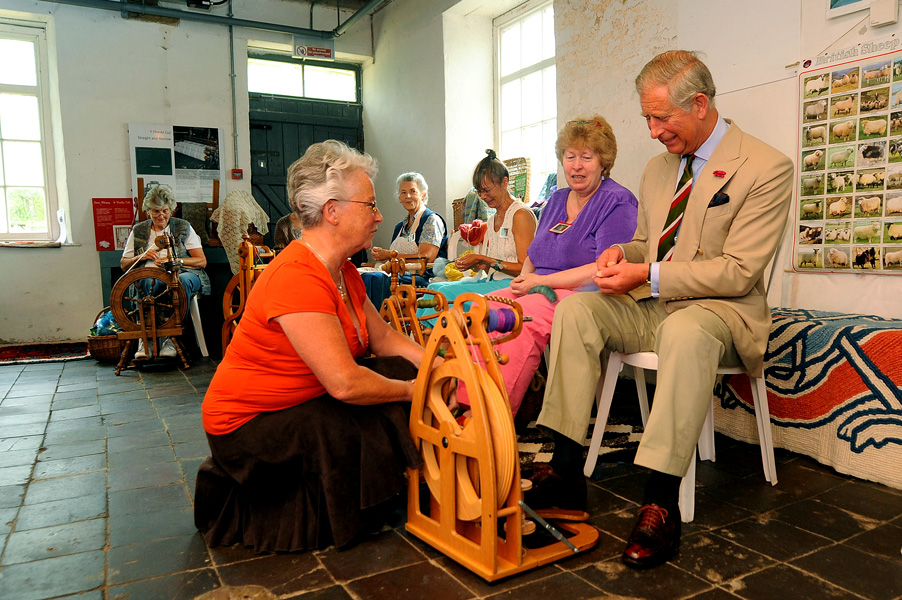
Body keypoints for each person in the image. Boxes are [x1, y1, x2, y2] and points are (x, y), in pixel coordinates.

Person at [531, 51, 793, 569]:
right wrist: (620, 254)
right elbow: (649, 243)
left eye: (661, 118)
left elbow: (738, 272)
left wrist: (645, 274)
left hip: (724, 311)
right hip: (659, 305)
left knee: (688, 331)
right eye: (647, 118)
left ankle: (660, 499)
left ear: (699, 104)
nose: (652, 131)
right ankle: (564, 472)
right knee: (578, 312)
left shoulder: (766, 167)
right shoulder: (657, 170)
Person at [194, 140, 436, 553]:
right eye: (371, 205)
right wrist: (418, 390)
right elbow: (344, 383)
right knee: (365, 404)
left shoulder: (345, 272)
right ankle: (384, 500)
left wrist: (437, 363)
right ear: (332, 211)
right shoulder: (297, 275)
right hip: (250, 427)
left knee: (400, 370)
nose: (379, 215)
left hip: (299, 399)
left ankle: (420, 487)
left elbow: (384, 338)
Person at [456, 116, 638, 418]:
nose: (576, 166)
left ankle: (490, 418)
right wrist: (525, 278)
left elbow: (602, 268)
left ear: (603, 162)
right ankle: (462, 398)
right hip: (541, 286)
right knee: (476, 309)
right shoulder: (556, 200)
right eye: (570, 157)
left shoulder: (617, 201)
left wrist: (538, 285)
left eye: (586, 157)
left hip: (587, 294)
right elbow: (535, 252)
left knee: (520, 319)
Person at [119, 184, 210, 358]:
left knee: (179, 282)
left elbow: (201, 261)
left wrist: (175, 261)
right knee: (147, 282)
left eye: (165, 211)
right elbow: (124, 265)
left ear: (171, 210)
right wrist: (143, 256)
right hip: (151, 276)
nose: (161, 216)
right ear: (148, 211)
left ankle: (170, 338)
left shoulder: (183, 226)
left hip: (184, 273)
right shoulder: (139, 231)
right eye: (156, 211)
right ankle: (148, 341)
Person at [454, 150, 537, 280]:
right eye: (479, 192)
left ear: (505, 182)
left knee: (442, 293)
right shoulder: (492, 220)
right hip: (494, 282)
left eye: (487, 190)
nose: (482, 196)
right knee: (436, 288)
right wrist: (479, 264)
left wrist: (483, 259)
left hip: (515, 286)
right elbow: (495, 270)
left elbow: (525, 269)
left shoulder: (520, 215)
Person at [370, 172, 448, 277]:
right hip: (400, 275)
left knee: (377, 279)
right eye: (403, 192)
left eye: (413, 191)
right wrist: (381, 255)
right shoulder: (399, 227)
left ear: (423, 195)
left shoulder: (431, 220)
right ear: (399, 198)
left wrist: (389, 255)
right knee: (364, 276)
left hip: (424, 277)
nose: (408, 196)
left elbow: (426, 258)